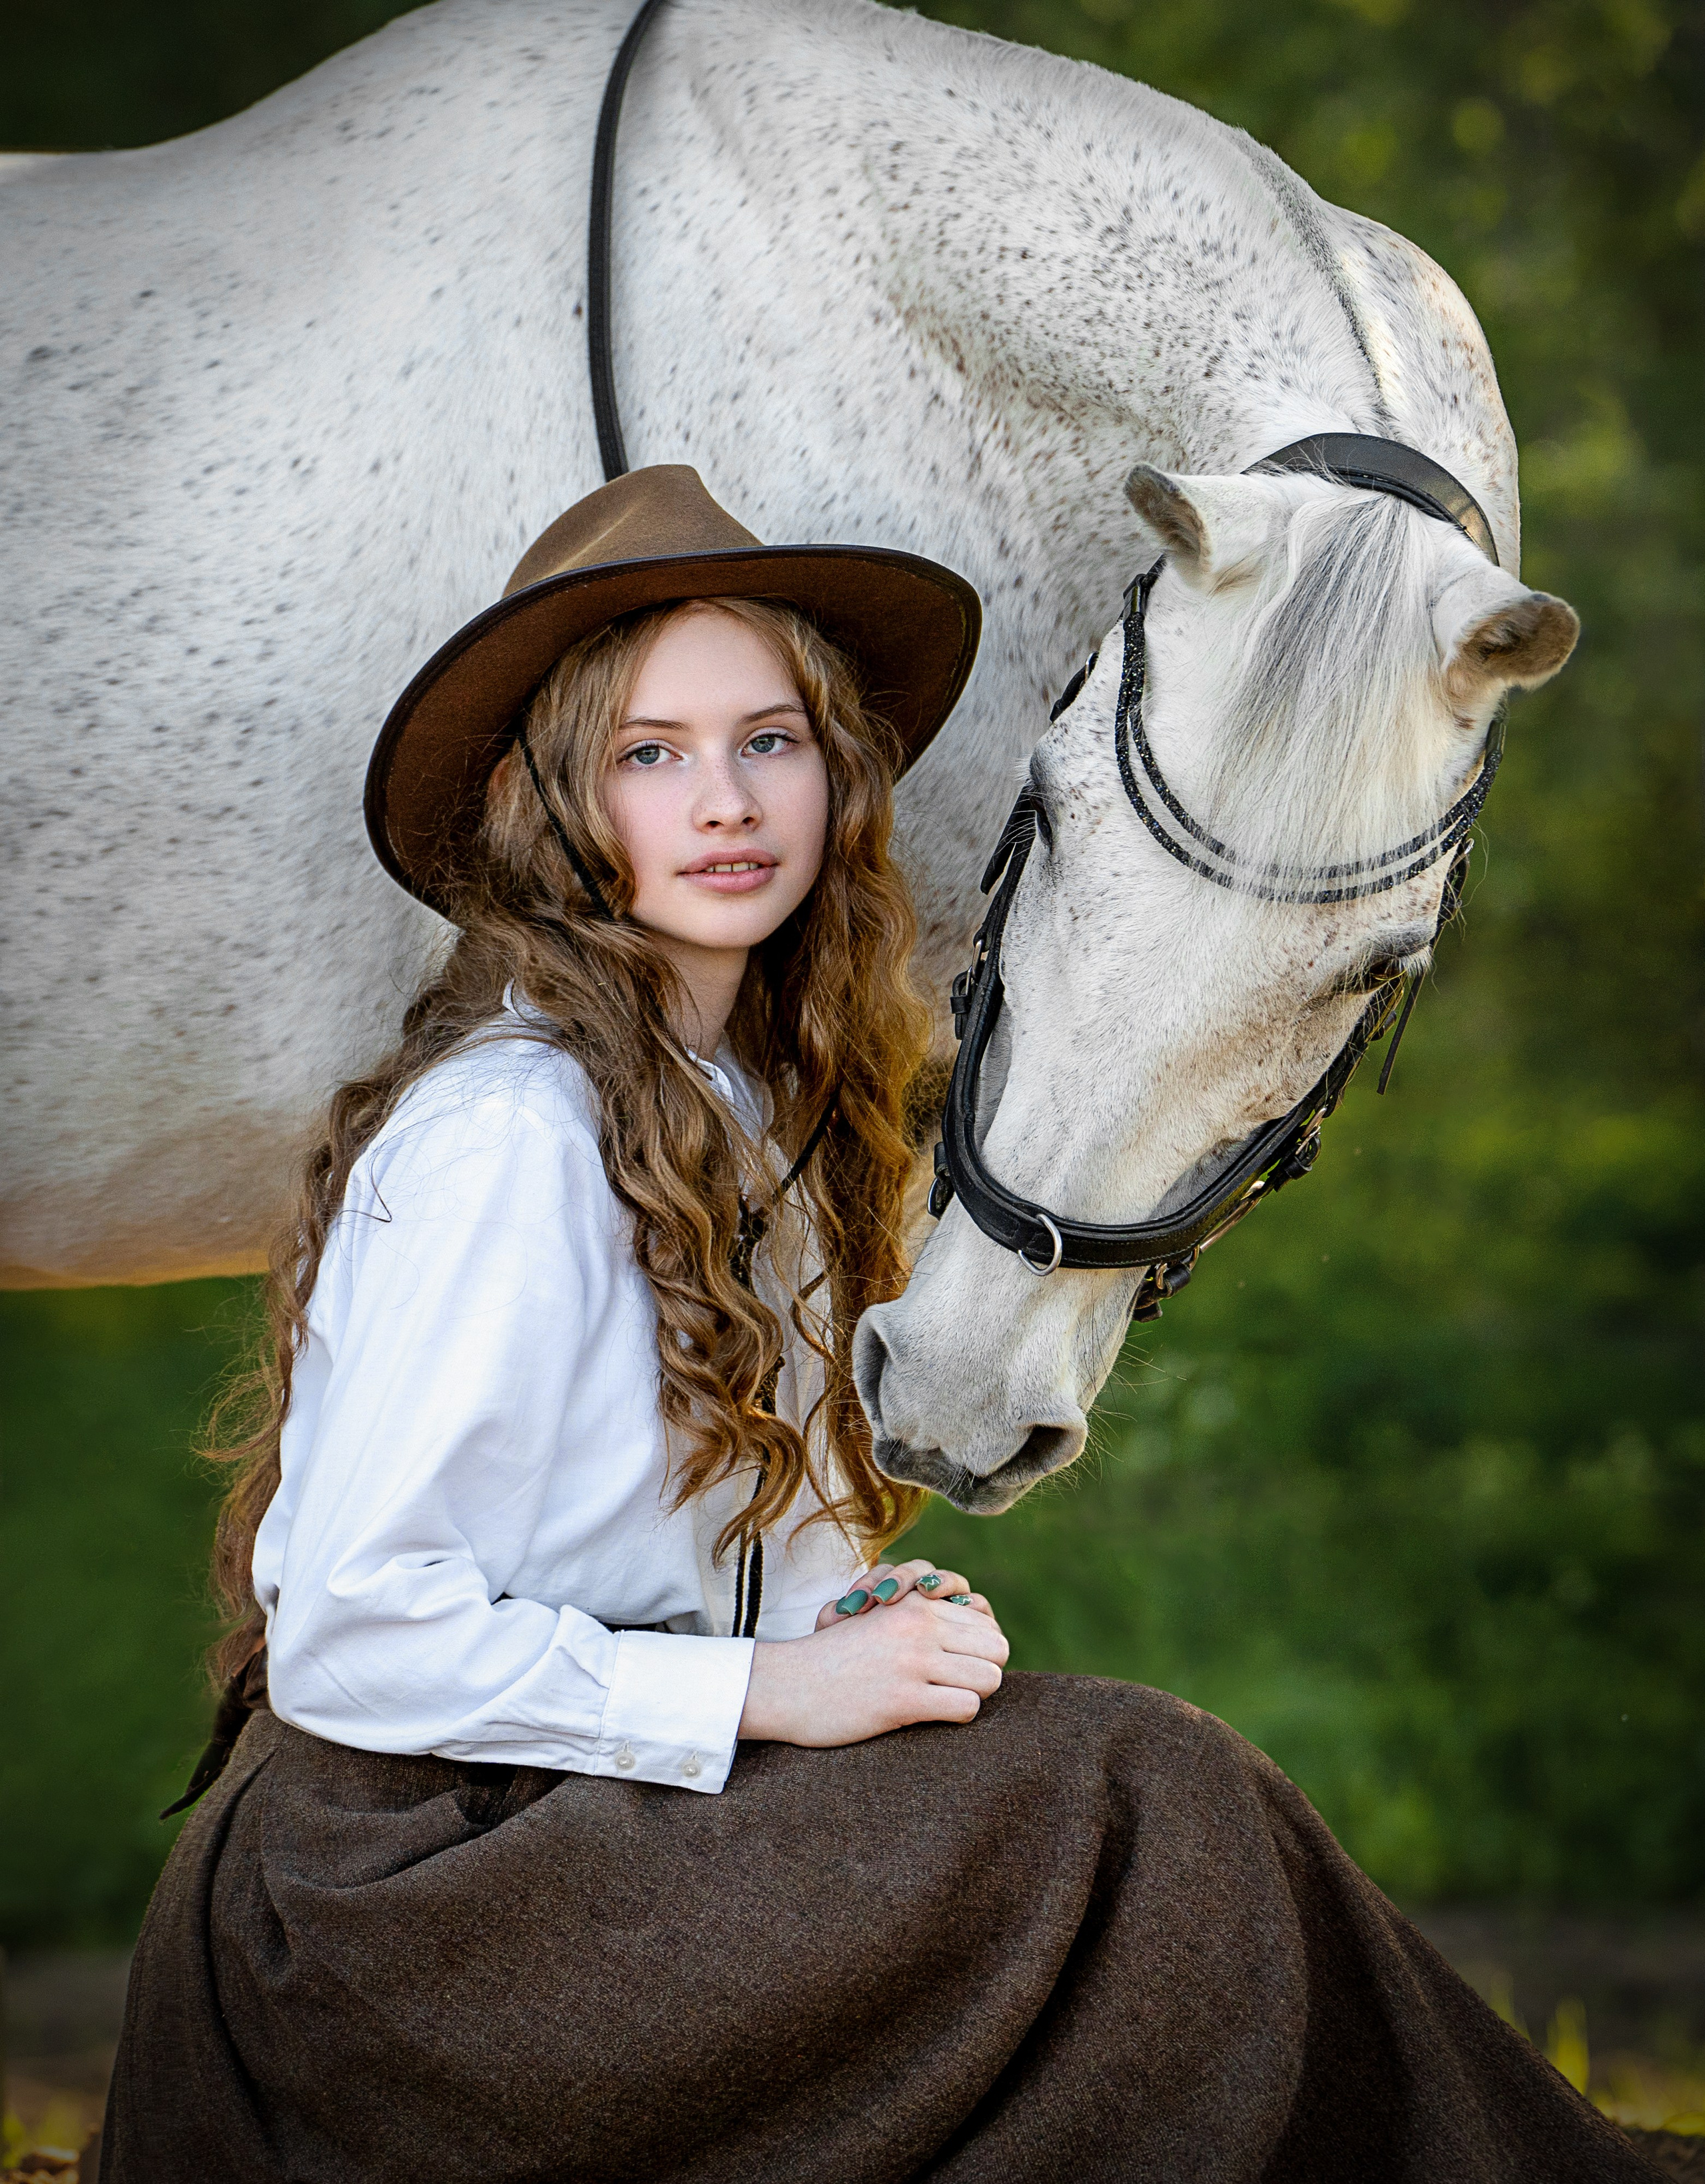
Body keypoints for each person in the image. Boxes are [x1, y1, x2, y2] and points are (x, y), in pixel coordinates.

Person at [101, 468, 1652, 2184]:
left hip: (594, 1830)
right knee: (1140, 1793)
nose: (725, 802)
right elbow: (350, 1638)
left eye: (769, 741)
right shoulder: (510, 1134)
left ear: (837, 773)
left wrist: (840, 1615)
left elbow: (653, 1555)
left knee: (1135, 1811)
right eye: (650, 753)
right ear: (558, 808)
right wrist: (773, 1686)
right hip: (398, 1913)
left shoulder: (745, 1105)